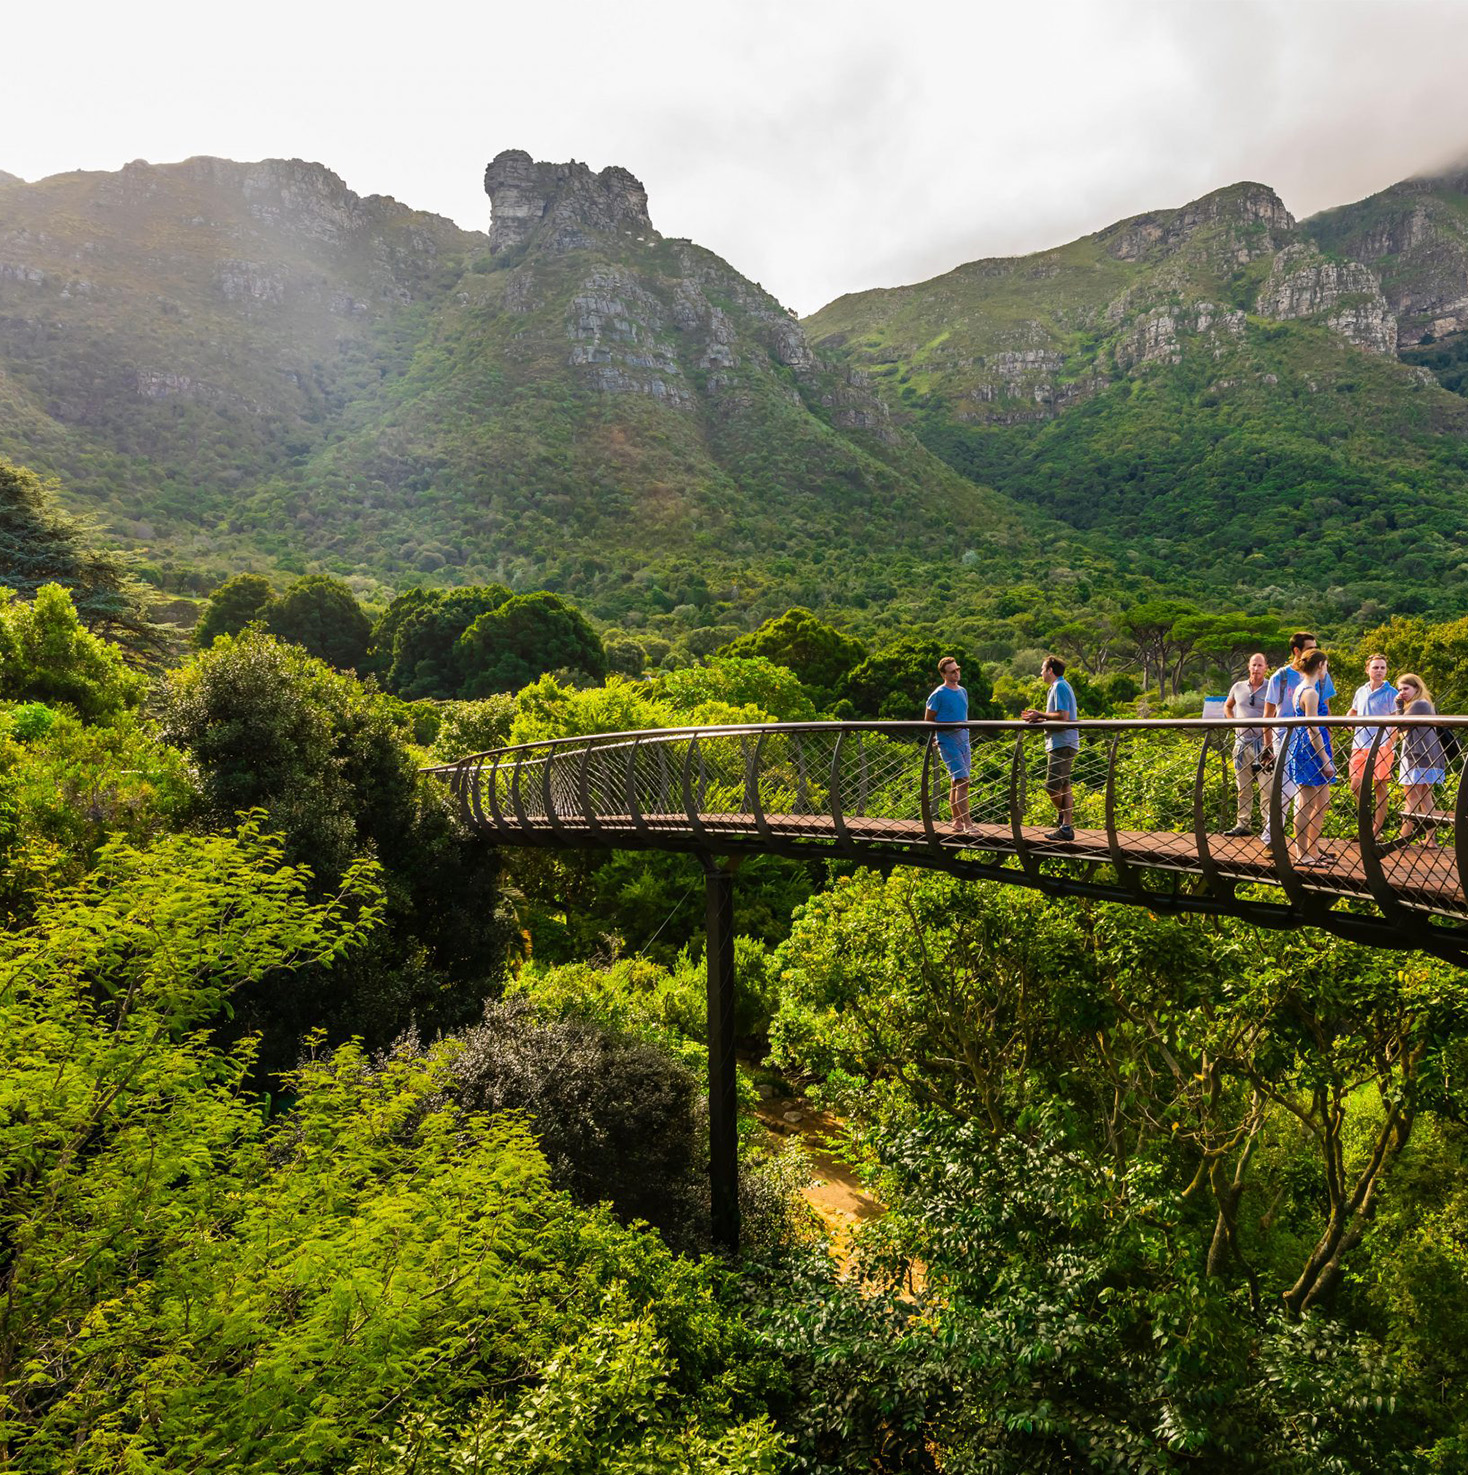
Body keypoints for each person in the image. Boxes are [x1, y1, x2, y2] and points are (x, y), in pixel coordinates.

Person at [1262, 632, 1336, 848]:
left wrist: (1328, 740)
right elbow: (1269, 713)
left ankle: (1308, 845)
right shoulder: (1282, 676)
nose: (1313, 651)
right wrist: (1268, 745)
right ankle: (1273, 840)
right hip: (1286, 737)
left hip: (1311, 738)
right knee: (1287, 792)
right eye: (1309, 647)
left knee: (1312, 798)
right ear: (1297, 651)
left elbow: (1326, 711)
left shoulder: (1320, 680)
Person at [1285, 649, 1336, 867]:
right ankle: (1302, 853)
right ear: (1321, 665)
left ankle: (1312, 850)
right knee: (1305, 803)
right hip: (1311, 749)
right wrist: (1324, 758)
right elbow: (1312, 728)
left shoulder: (1302, 688)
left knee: (1321, 801)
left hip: (1310, 746)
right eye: (1326, 665)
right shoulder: (1310, 693)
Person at [1021, 655, 1079, 841]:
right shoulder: (1060, 686)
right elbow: (1058, 715)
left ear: (1050, 671)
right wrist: (1040, 718)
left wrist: (1040, 714)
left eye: (1042, 669)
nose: (1040, 673)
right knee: (1064, 785)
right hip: (1065, 742)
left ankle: (1065, 821)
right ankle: (1066, 826)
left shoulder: (1060, 686)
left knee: (1051, 787)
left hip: (1062, 743)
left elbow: (1063, 716)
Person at [1346, 654, 1397, 838]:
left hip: (1381, 745)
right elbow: (1354, 710)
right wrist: (1347, 719)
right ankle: (1366, 824)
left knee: (1380, 788)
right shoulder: (1361, 691)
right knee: (1355, 785)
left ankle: (1376, 831)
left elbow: (1395, 720)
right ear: (1367, 669)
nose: (1379, 671)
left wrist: (1389, 744)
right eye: (1375, 667)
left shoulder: (1392, 693)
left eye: (1382, 668)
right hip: (1359, 744)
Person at [1223, 652, 1271, 837]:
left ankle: (1268, 827)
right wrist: (1232, 721)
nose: (1256, 669)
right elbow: (1228, 705)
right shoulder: (1238, 686)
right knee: (1243, 787)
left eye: (1260, 665)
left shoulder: (1271, 688)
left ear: (1266, 667)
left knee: (1267, 788)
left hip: (1264, 744)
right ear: (1248, 667)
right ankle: (1243, 824)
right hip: (1242, 744)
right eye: (1254, 665)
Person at [1394, 674, 1445, 845]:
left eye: (1406, 689)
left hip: (1416, 757)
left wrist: (1398, 706)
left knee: (1412, 799)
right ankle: (1430, 839)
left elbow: (1399, 725)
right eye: (1400, 689)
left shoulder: (1418, 705)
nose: (1402, 693)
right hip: (1429, 757)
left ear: (1417, 688)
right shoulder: (1426, 704)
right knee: (1425, 799)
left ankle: (1402, 840)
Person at [924, 656, 971, 832]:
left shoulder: (963, 691)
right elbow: (928, 720)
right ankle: (968, 824)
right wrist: (936, 738)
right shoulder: (938, 694)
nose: (956, 673)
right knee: (963, 781)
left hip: (964, 741)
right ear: (944, 674)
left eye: (957, 669)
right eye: (952, 671)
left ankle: (957, 821)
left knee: (956, 782)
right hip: (948, 742)